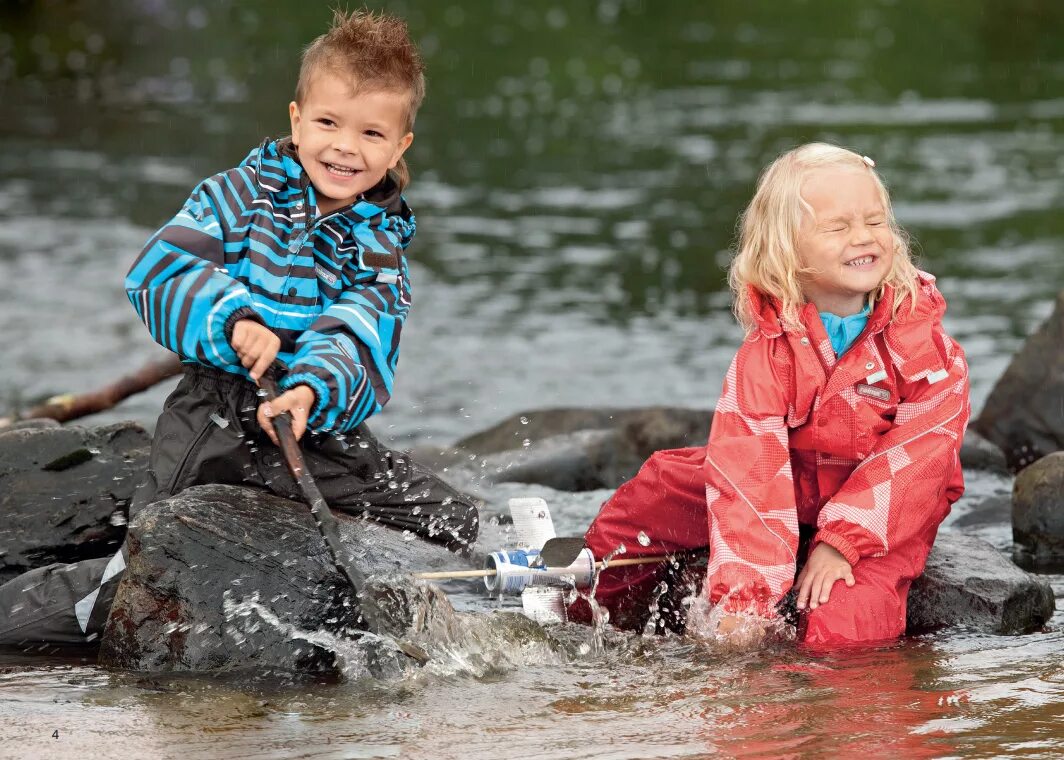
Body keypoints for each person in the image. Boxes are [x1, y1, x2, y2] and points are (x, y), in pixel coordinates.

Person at [0, 9, 477, 649]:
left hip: (313, 429)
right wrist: (236, 318)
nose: (344, 146)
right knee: (153, 556)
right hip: (213, 419)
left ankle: (493, 583)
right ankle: (53, 610)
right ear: (296, 120)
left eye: (370, 133)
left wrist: (309, 390)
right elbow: (158, 271)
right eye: (328, 123)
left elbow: (360, 335)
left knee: (452, 520)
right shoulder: (237, 194)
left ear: (399, 147)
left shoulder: (381, 249)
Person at [568, 143, 970, 647]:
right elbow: (749, 469)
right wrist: (745, 600)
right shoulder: (769, 348)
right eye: (838, 227)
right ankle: (583, 613)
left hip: (882, 502)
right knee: (653, 495)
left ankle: (828, 705)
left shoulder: (924, 344)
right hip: (790, 477)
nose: (863, 238)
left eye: (875, 221)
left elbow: (921, 458)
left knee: (845, 627)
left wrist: (842, 543)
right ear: (787, 250)